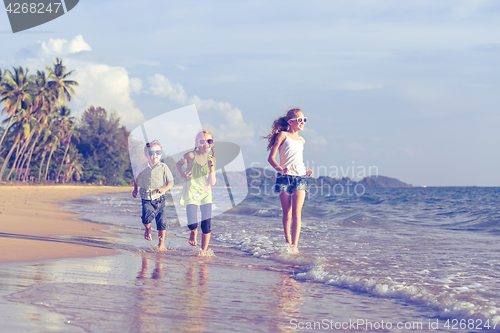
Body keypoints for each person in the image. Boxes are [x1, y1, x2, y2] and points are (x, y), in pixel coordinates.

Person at [265, 108, 313, 253]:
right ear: (290, 122)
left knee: (297, 213)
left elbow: (297, 160)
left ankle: (294, 247)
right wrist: (280, 169)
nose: (302, 122)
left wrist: (306, 171)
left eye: (304, 119)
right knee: (288, 213)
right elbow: (271, 158)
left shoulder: (302, 140)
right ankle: (288, 243)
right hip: (284, 178)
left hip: (300, 178)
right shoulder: (282, 135)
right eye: (300, 120)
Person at [176, 130, 217, 255]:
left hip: (206, 194)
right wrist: (183, 173)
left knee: (206, 225)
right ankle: (193, 232)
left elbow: (212, 182)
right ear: (197, 143)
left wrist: (212, 169)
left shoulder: (212, 159)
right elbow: (178, 164)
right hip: (191, 193)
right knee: (192, 222)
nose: (206, 144)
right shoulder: (191, 156)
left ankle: (203, 252)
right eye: (202, 141)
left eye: (209, 141)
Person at [132, 140, 174, 250]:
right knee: (146, 218)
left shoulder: (164, 167)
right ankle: (148, 228)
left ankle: (161, 244)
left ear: (161, 153)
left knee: (162, 222)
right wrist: (135, 189)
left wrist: (164, 188)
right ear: (146, 155)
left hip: (160, 199)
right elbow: (136, 177)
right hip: (146, 198)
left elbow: (171, 182)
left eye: (158, 152)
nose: (154, 155)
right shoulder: (142, 167)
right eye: (151, 153)